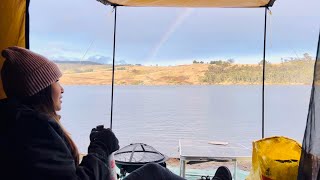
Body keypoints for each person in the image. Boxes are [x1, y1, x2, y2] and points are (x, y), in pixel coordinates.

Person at [0, 46, 232, 180]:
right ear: (40, 89)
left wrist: (96, 151)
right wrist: (100, 149)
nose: (61, 88)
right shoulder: (31, 129)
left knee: (153, 171)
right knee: (155, 173)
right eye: (56, 81)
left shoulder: (17, 122)